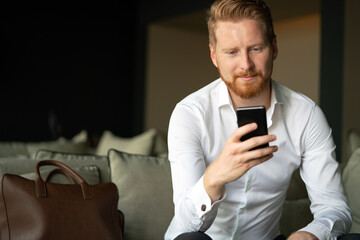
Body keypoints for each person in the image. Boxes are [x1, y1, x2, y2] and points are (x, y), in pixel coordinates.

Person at [164, 0, 355, 239]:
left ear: (273, 48)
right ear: (214, 56)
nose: (246, 65)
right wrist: (214, 177)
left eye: (255, 49)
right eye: (232, 52)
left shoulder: (306, 115)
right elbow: (184, 225)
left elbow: (334, 207)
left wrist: (310, 235)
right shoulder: (190, 114)